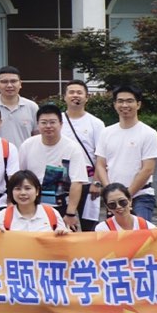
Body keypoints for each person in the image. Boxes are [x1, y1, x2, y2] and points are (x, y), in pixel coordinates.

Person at [16, 104, 90, 232]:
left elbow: (77, 182)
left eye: (52, 122)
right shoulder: (27, 145)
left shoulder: (72, 148)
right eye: (44, 122)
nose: (48, 126)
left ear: (61, 124)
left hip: (62, 206)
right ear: (38, 125)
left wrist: (70, 213)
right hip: (32, 206)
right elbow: (20, 176)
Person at [96, 85, 157, 222]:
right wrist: (110, 192)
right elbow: (101, 165)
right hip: (114, 198)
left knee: (140, 232)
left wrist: (126, 196)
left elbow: (148, 169)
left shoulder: (149, 133)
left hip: (140, 195)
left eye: (129, 101)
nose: (124, 105)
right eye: (120, 101)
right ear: (115, 104)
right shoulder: (106, 133)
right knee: (116, 234)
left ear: (138, 104)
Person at [63, 79, 107, 232]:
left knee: (90, 226)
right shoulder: (57, 121)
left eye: (79, 92)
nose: (75, 95)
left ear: (87, 97)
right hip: (63, 182)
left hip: (88, 181)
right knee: (65, 226)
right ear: (65, 97)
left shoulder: (96, 123)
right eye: (71, 92)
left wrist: (97, 182)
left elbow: (101, 155)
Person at [0, 169, 69, 234]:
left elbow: (63, 242)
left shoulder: (52, 213)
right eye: (18, 189)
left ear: (37, 191)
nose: (23, 193)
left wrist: (63, 232)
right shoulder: (3, 216)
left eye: (27, 188)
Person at [0, 66, 39, 144]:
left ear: (20, 84)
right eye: (4, 82)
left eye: (13, 81)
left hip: (24, 152)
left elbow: (37, 136)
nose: (9, 85)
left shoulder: (32, 107)